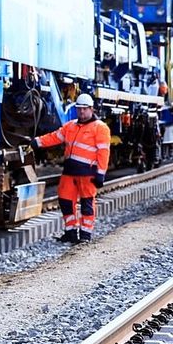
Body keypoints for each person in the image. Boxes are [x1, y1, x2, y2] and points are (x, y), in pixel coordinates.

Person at [33, 93, 111, 243]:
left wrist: (101, 174)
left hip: (88, 174)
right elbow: (55, 137)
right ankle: (70, 232)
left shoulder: (100, 128)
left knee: (87, 204)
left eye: (85, 109)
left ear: (91, 109)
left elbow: (103, 153)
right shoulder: (70, 126)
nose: (81, 112)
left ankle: (85, 235)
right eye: (79, 109)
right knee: (65, 201)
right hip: (69, 173)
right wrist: (37, 142)